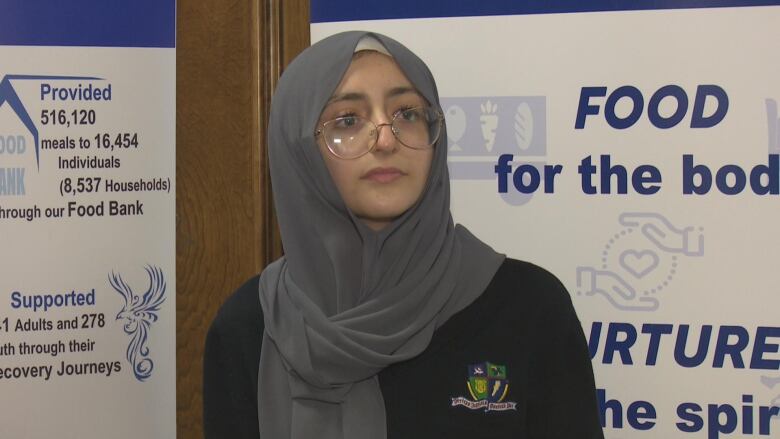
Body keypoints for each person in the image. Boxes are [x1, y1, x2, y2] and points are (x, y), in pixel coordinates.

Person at [203, 31, 604, 439]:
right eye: (347, 120)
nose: (385, 138)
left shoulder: (528, 309)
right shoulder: (250, 328)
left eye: (408, 114)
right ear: (300, 151)